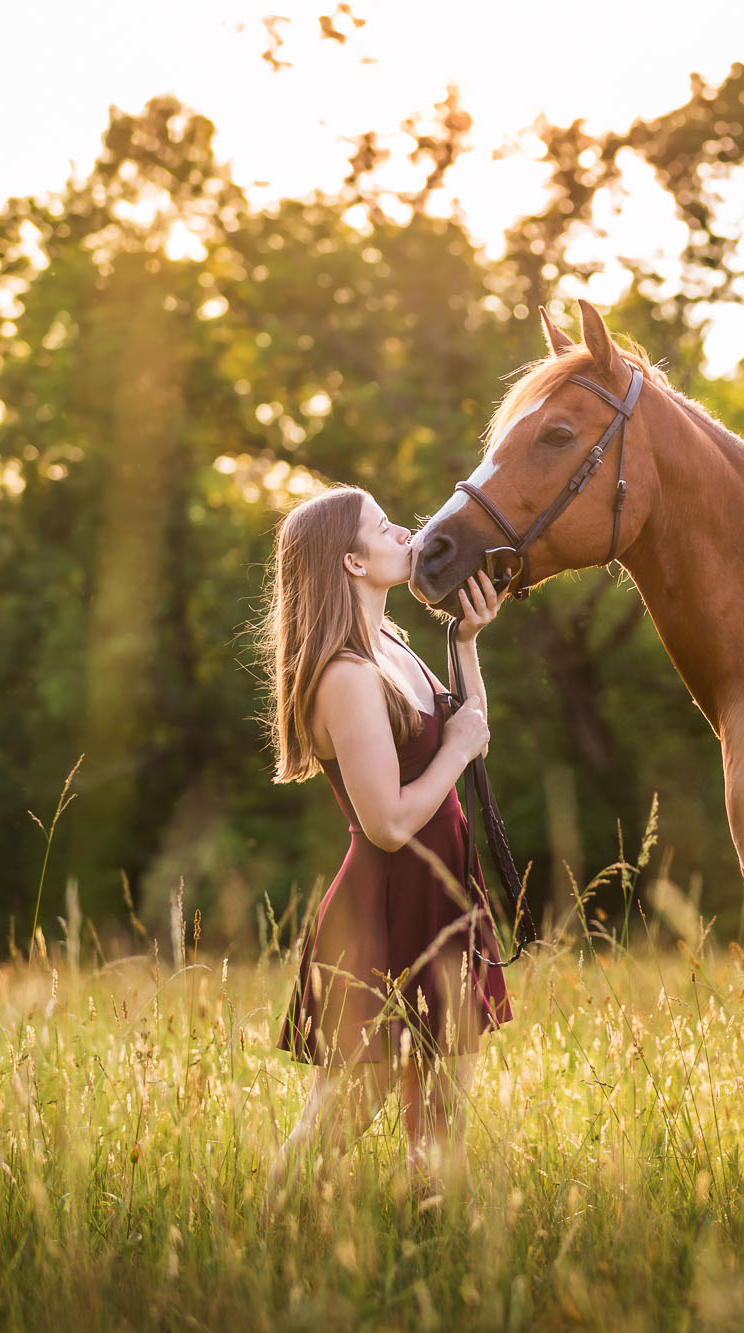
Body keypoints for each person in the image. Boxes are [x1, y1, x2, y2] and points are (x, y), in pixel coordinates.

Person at [260, 485, 513, 1200]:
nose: (407, 530)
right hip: (385, 909)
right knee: (332, 1130)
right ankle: (265, 1243)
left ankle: (428, 1277)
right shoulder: (344, 675)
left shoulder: (395, 644)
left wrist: (465, 646)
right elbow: (391, 822)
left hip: (446, 895)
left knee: (439, 1132)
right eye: (383, 526)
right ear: (352, 561)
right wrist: (460, 750)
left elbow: (472, 726)